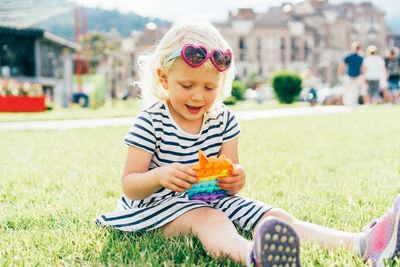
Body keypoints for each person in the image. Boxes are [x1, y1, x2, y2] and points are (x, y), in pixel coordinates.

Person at [96, 18, 400, 267]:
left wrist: (235, 178)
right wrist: (160, 175)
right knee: (210, 219)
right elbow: (130, 185)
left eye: (209, 87)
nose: (198, 96)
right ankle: (253, 256)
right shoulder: (152, 120)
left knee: (275, 217)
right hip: (156, 206)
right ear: (163, 79)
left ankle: (363, 244)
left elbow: (230, 178)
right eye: (186, 85)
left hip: (210, 197)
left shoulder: (223, 120)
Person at [338, 42, 364, 107]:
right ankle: (352, 103)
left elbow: (342, 65)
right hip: (355, 76)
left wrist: (340, 75)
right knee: (354, 90)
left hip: (350, 75)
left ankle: (347, 103)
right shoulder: (360, 57)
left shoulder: (349, 56)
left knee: (348, 89)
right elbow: (363, 68)